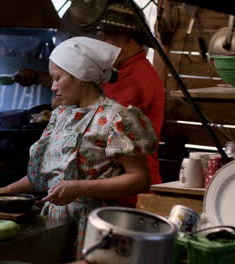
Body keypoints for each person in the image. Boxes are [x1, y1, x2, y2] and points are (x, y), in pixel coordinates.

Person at [0, 36, 158, 259]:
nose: (52, 86)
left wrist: (79, 188)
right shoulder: (62, 115)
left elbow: (139, 179)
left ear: (81, 76)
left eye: (58, 78)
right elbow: (46, 174)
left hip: (95, 227)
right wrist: (6, 191)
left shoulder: (117, 118)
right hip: (53, 223)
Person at [13, 0, 165, 207]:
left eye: (105, 37)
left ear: (126, 38)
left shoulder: (137, 79)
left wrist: (79, 187)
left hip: (124, 198)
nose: (100, 41)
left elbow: (102, 124)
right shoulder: (114, 77)